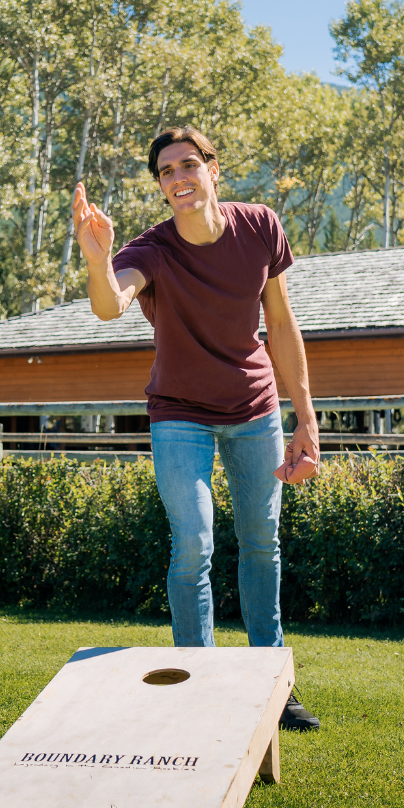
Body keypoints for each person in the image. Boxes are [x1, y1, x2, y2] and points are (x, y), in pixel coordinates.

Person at [71, 125, 321, 731]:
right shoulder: (150, 251)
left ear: (214, 169)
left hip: (255, 410)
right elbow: (110, 305)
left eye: (188, 165)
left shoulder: (260, 226)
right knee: (195, 546)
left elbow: (282, 325)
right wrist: (97, 258)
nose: (179, 178)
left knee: (262, 542)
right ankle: (196, 682)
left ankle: (273, 683)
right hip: (179, 413)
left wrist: (305, 419)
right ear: (161, 187)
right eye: (166, 172)